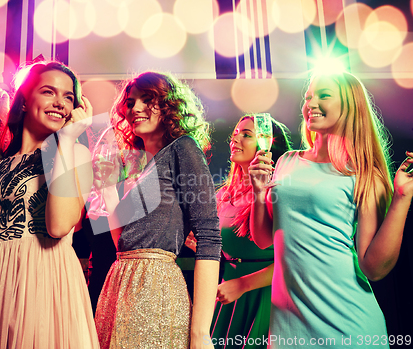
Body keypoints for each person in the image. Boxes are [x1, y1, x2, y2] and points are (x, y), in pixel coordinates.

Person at [0, 61, 100, 349]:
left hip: (42, 279)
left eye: (68, 97)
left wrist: (65, 141)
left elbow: (59, 225)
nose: (61, 103)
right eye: (49, 92)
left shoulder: (74, 154)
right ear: (25, 101)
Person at [249, 71, 413, 348]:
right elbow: (264, 240)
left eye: (324, 95)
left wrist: (401, 198)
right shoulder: (287, 161)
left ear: (351, 105)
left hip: (348, 325)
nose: (311, 103)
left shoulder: (364, 174)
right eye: (308, 96)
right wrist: (258, 192)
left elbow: (373, 268)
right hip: (288, 330)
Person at [93, 71, 222, 348]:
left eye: (147, 99)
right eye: (130, 102)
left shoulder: (183, 149)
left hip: (156, 287)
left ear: (169, 106)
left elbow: (209, 237)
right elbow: (124, 243)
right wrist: (106, 189)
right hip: (119, 285)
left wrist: (201, 332)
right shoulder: (140, 167)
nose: (135, 108)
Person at [186, 114, 291, 348]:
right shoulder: (222, 195)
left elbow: (293, 259)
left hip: (265, 293)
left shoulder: (277, 191)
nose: (235, 139)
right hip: (227, 293)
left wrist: (243, 284)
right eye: (235, 133)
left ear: (267, 144)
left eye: (246, 134)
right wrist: (200, 245)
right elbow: (225, 251)